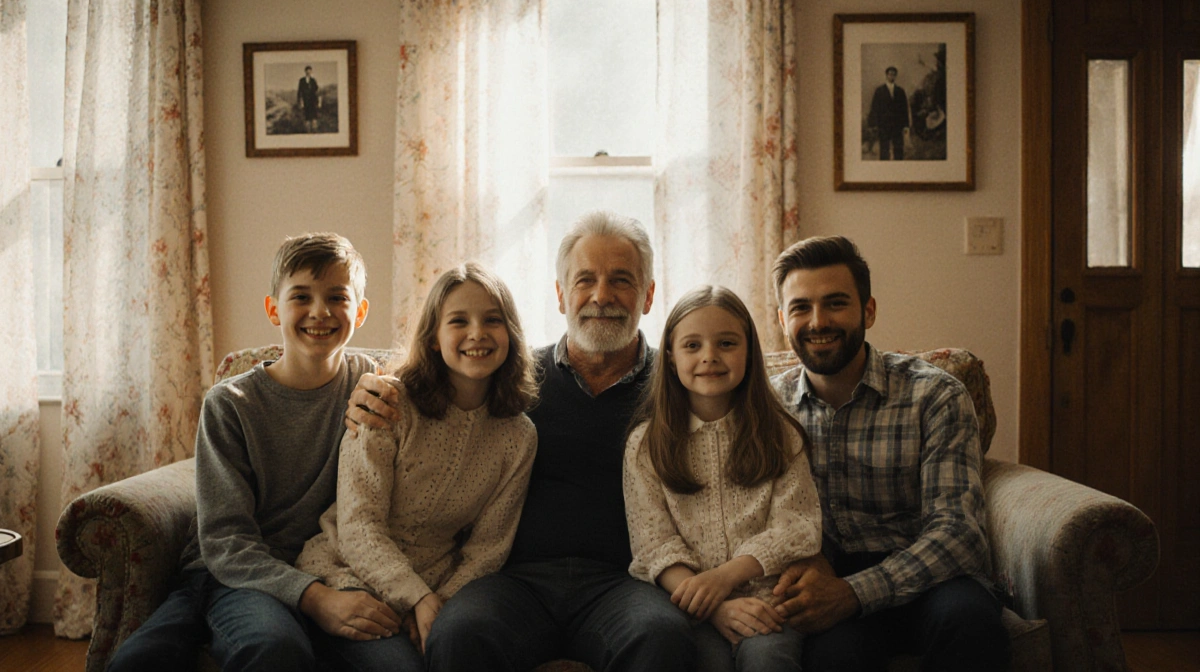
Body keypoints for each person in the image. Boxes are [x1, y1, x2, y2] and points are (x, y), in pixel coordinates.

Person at [346, 211, 696, 671]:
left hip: (624, 583)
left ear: (648, 296)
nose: (601, 296)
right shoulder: (511, 377)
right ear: (559, 295)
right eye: (584, 279)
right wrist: (369, 389)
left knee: (663, 636)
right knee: (458, 633)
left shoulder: (679, 385)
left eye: (622, 280)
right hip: (515, 582)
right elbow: (439, 386)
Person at [107, 233, 403, 672]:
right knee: (270, 650)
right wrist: (315, 598)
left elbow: (432, 379)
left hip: (331, 567)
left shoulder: (371, 383)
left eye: (336, 297)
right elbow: (227, 543)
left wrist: (394, 389)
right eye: (301, 296)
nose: (319, 311)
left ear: (359, 311)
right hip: (235, 573)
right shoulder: (230, 404)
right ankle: (194, 614)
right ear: (273, 310)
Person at [768, 235, 1010, 671]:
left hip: (932, 579)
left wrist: (856, 593)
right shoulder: (769, 409)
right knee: (831, 658)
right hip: (831, 579)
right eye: (801, 307)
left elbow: (959, 534)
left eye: (836, 303)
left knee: (971, 622)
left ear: (869, 310)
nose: (818, 321)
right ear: (782, 319)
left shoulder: (935, 394)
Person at [295, 262, 539, 671]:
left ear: (511, 335)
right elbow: (358, 526)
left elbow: (488, 549)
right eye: (459, 321)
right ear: (432, 339)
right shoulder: (387, 403)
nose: (477, 333)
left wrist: (437, 603)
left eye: (492, 321)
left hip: (437, 586)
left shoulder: (518, 436)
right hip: (347, 575)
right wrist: (416, 597)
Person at [623, 285, 822, 672]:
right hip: (691, 608)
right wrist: (712, 602)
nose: (709, 357)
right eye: (692, 346)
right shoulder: (646, 444)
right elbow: (653, 544)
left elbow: (798, 526)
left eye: (727, 343)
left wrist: (725, 577)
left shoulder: (780, 434)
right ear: (670, 356)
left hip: (769, 601)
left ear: (749, 350)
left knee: (768, 662)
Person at [867, 66, 909, 160]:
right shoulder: (879, 91)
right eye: (890, 74)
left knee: (899, 149)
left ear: (896, 76)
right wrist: (872, 124)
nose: (892, 76)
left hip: (897, 125)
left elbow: (904, 109)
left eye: (894, 74)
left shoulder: (900, 91)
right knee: (884, 150)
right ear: (886, 75)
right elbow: (874, 108)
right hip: (884, 125)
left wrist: (906, 125)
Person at [297, 66, 320, 133]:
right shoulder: (302, 80)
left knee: (314, 115)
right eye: (307, 71)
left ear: (311, 72)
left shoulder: (313, 80)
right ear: (305, 71)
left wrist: (318, 101)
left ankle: (314, 130)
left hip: (312, 100)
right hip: (305, 100)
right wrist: (300, 101)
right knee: (307, 116)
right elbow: (299, 91)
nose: (308, 72)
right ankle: (308, 131)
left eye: (310, 71)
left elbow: (316, 89)